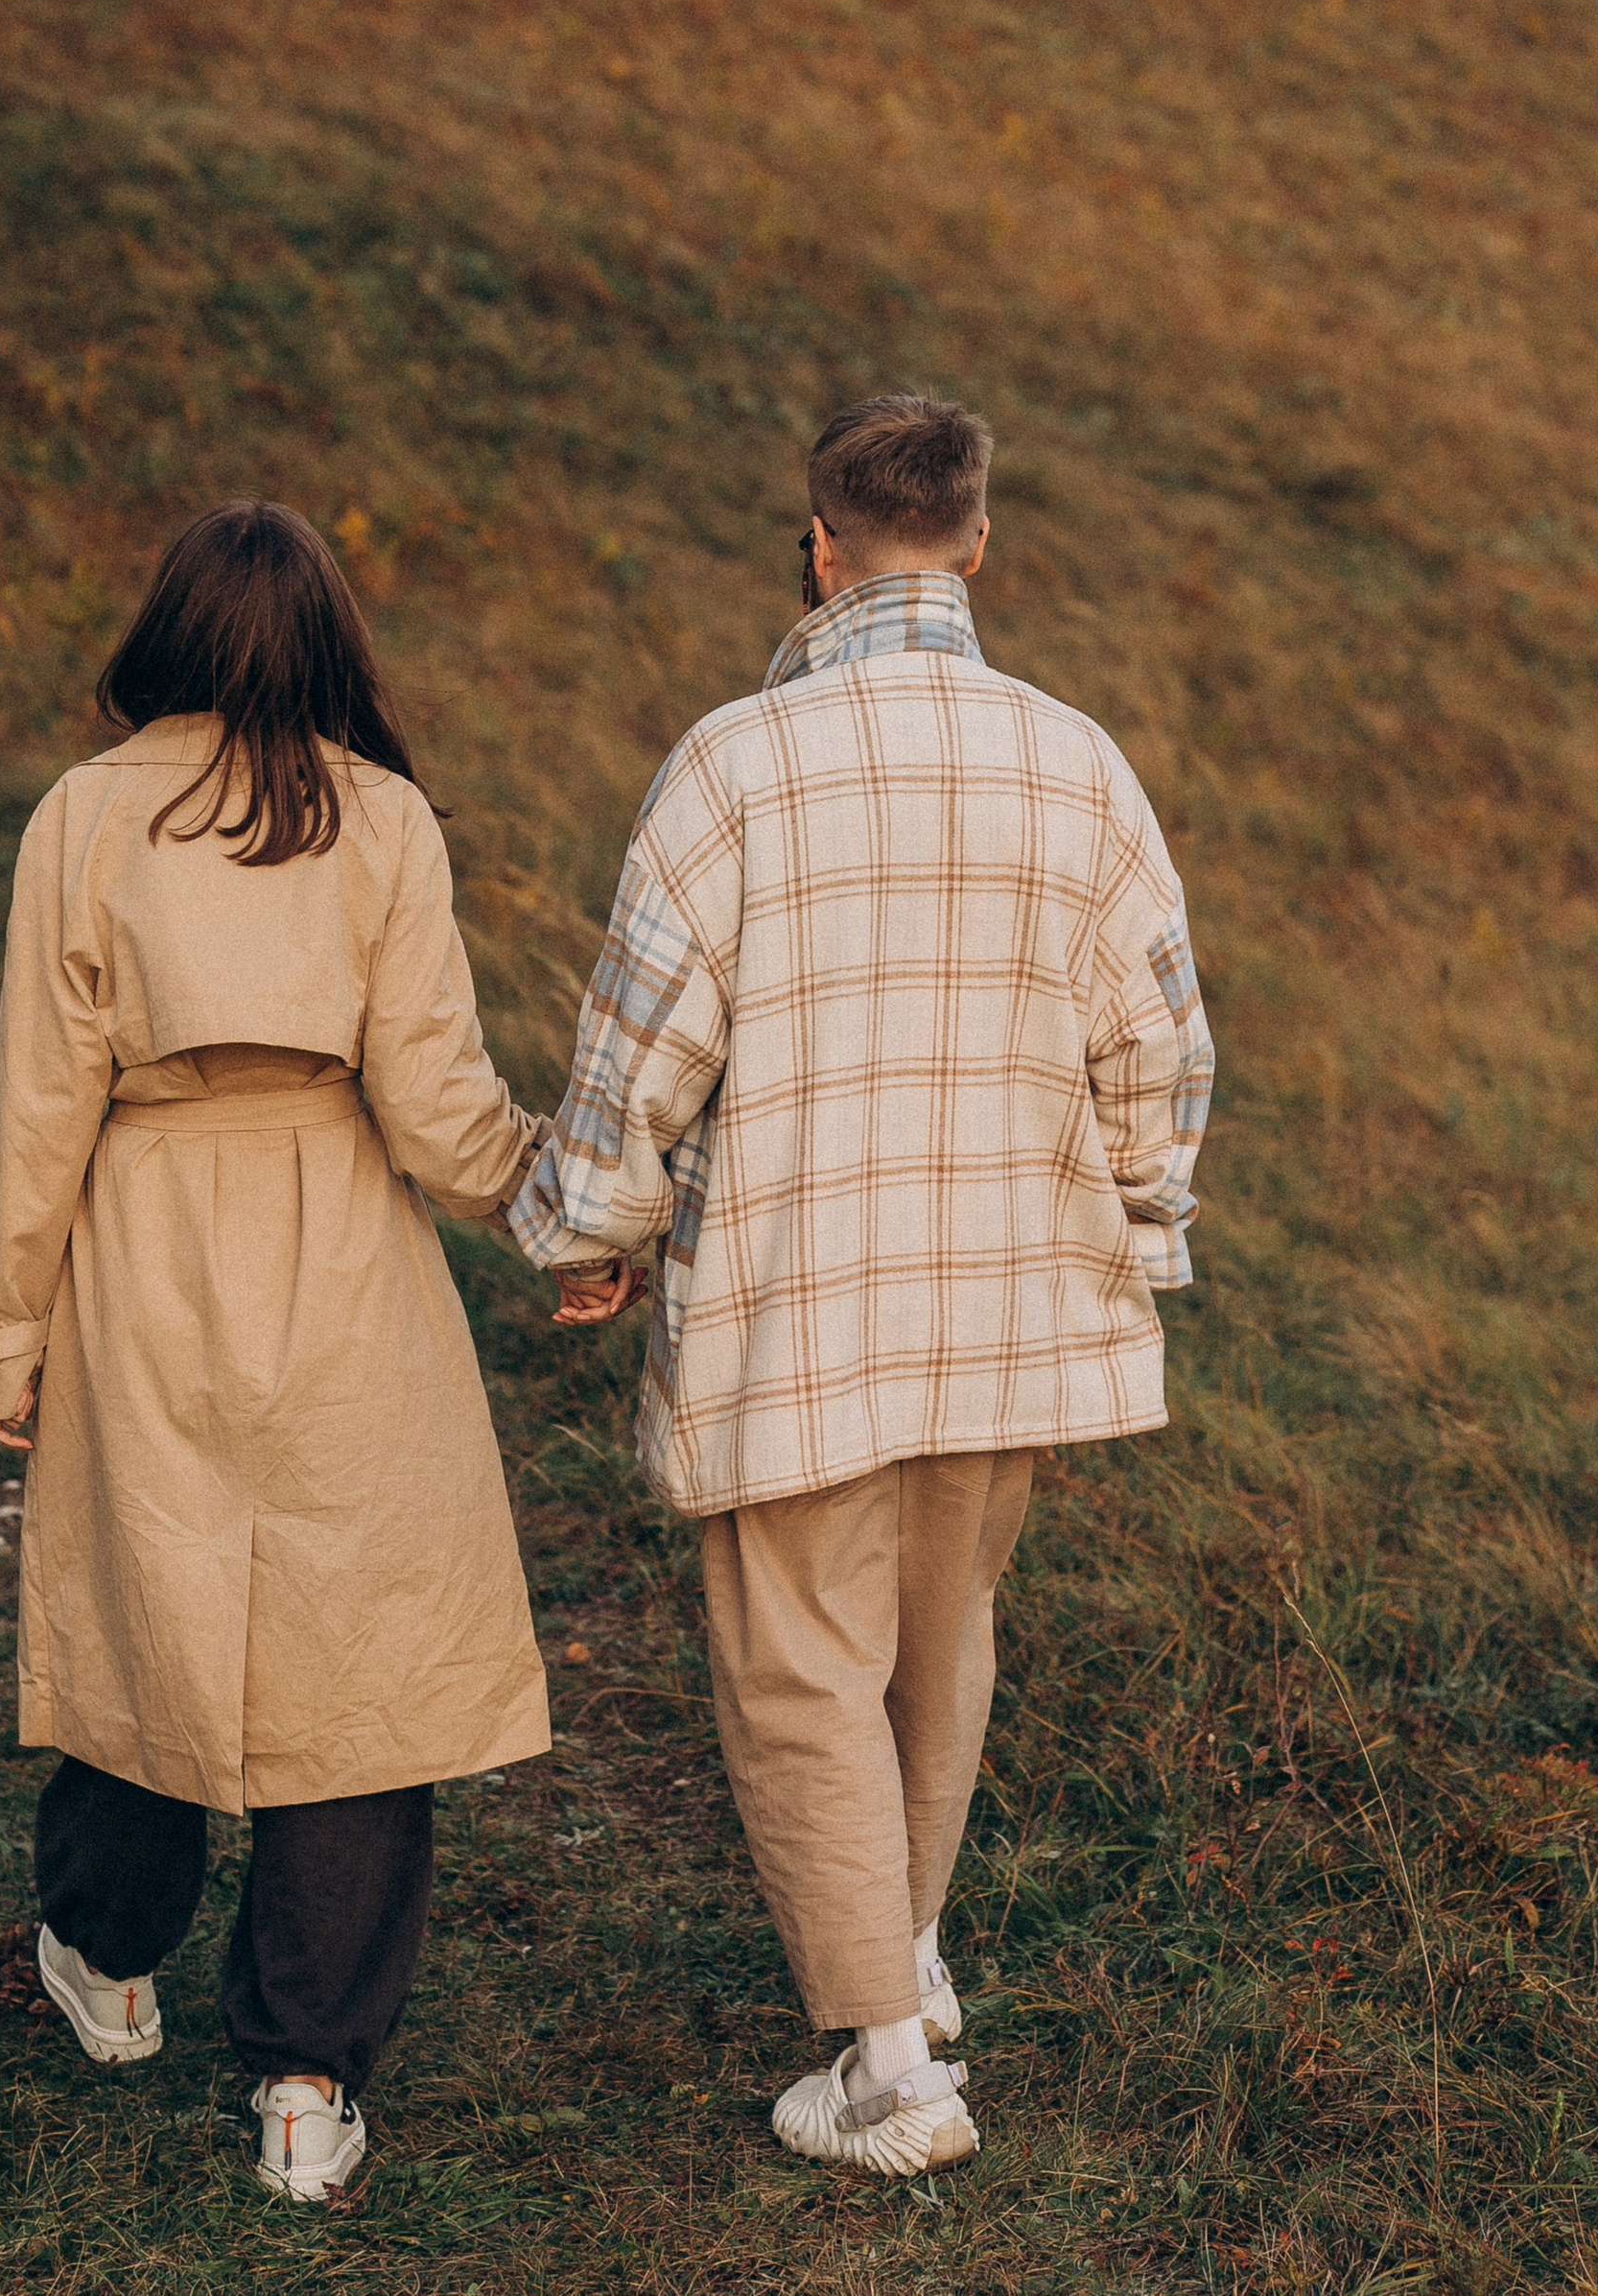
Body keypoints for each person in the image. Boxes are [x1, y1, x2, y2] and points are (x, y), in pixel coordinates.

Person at [513, 392, 1213, 2177]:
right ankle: (900, 1941)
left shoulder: (735, 763)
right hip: (1008, 1299)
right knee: (939, 1627)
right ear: (977, 546)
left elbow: (640, 1036)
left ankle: (889, 2068)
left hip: (798, 1297)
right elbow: (1157, 1040)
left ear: (822, 546)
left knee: (800, 1663)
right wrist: (1140, 1229)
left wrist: (591, 1228)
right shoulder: (1080, 763)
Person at [0, 501, 549, 2206]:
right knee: (354, 1666)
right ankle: (301, 2082)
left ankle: (108, 1961)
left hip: (145, 1236)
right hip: (342, 1239)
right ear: (333, 643)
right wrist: (561, 1212)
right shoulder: (385, 817)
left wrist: (4, 1340)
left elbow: (37, 1101)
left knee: (150, 1604)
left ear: (173, 634)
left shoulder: (86, 814)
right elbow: (434, 1104)